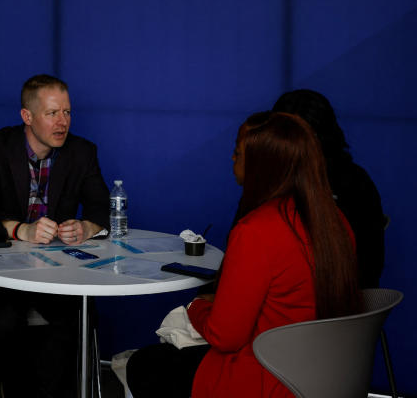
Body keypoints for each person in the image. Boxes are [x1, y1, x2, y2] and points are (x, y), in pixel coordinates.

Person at [125, 112, 362, 398]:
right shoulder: (336, 220)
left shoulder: (257, 229)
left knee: (145, 365)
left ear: (263, 166)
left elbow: (226, 336)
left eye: (238, 154)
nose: (233, 160)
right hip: (327, 374)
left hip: (266, 378)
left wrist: (197, 307)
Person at [0, 74, 110, 397]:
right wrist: (21, 229)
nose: (63, 123)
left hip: (57, 272)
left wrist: (86, 227)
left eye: (67, 112)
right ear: (27, 117)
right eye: (52, 113)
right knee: (5, 321)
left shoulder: (82, 152)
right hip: (2, 273)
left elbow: (102, 207)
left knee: (77, 319)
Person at [272, 88, 385, 287]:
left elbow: (369, 263)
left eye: (301, 136)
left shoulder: (354, 182)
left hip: (338, 301)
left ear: (322, 136)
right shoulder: (270, 179)